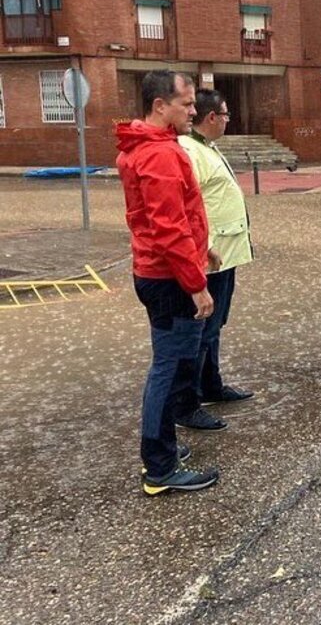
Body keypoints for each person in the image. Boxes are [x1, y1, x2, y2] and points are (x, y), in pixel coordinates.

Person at [116, 70, 221, 496]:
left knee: (169, 364)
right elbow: (168, 226)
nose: (194, 111)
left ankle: (163, 451)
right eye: (187, 103)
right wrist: (195, 281)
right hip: (169, 278)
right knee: (170, 367)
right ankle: (159, 466)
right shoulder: (158, 155)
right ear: (161, 106)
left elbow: (180, 217)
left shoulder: (151, 146)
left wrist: (203, 249)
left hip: (162, 272)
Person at [175, 89, 255, 431]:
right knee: (200, 330)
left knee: (214, 326)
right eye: (225, 116)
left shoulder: (207, 147)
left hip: (225, 254)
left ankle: (211, 385)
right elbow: (183, 207)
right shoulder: (190, 151)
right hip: (208, 257)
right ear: (212, 118)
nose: (226, 121)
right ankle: (187, 403)